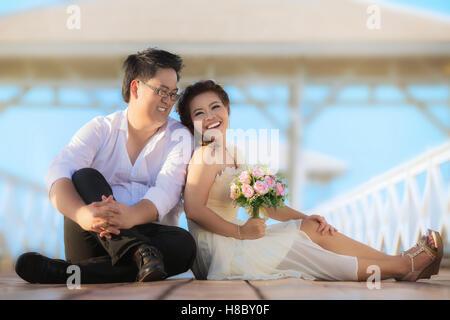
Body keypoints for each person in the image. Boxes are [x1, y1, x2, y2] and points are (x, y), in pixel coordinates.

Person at [175, 79, 444, 282]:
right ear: (191, 124)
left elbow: (267, 206)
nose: (209, 117)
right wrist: (240, 232)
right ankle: (403, 266)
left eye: (215, 107)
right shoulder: (204, 155)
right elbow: (194, 209)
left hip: (239, 238)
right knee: (301, 248)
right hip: (217, 249)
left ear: (228, 110)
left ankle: (399, 263)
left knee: (311, 229)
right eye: (199, 114)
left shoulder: (234, 153)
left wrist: (307, 217)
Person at [15, 48, 196, 284]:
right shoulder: (101, 128)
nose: (168, 101)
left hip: (152, 240)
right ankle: (137, 252)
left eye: (173, 94)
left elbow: (167, 190)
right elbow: (57, 171)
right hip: (93, 237)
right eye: (161, 91)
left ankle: (69, 273)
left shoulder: (179, 137)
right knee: (83, 176)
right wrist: (82, 214)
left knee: (185, 246)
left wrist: (130, 216)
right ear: (135, 88)